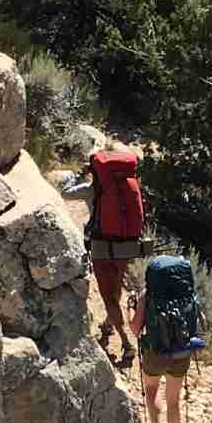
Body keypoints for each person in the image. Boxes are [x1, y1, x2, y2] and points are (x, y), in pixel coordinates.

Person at [73, 147, 145, 361]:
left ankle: (126, 343)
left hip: (102, 246)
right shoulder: (129, 184)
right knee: (116, 284)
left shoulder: (92, 189)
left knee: (108, 297)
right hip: (126, 245)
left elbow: (64, 192)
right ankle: (108, 324)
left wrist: (79, 173)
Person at [131, 251, 204, 423]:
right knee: (174, 401)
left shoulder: (147, 295)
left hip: (155, 352)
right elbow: (199, 323)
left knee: (151, 390)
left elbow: (136, 330)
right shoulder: (188, 295)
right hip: (181, 352)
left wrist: (130, 309)